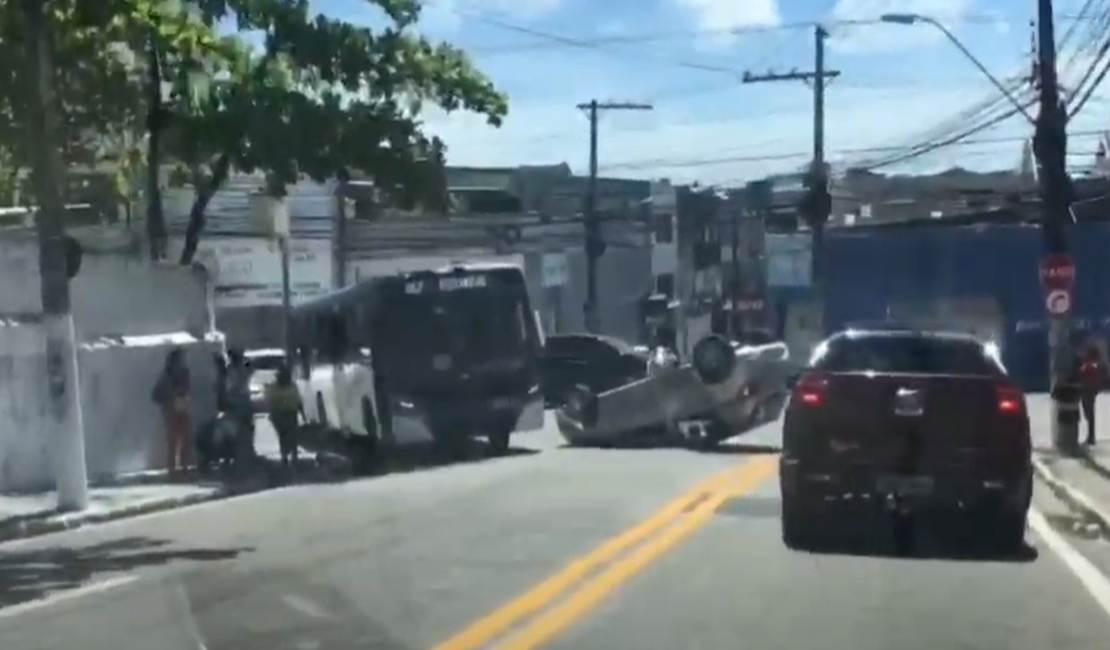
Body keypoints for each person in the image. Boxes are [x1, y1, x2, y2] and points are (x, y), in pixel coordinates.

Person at [151, 348, 192, 473]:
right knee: (173, 441)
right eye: (179, 359)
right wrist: (170, 396)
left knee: (186, 439)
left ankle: (183, 465)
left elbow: (187, 389)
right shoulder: (166, 376)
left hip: (183, 410)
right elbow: (155, 395)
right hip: (171, 412)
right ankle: (172, 468)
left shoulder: (185, 374)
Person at [265, 363, 304, 468]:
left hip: (291, 413)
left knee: (293, 435)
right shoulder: (273, 388)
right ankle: (285, 457)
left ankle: (294, 456)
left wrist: (302, 414)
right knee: (283, 436)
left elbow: (298, 401)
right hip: (279, 415)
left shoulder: (292, 387)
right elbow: (269, 403)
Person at [224, 348, 255, 459]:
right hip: (239, 399)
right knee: (239, 427)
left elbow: (251, 368)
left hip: (238, 399)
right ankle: (237, 452)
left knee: (245, 426)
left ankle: (246, 451)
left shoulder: (233, 369)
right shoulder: (233, 369)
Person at [1078, 344, 1105, 446]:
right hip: (1089, 389)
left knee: (1089, 412)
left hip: (1088, 390)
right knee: (1089, 412)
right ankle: (1091, 436)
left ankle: (1091, 437)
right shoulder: (1090, 363)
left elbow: (1085, 373)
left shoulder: (1092, 365)